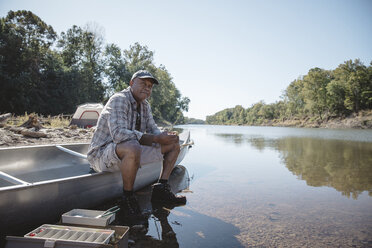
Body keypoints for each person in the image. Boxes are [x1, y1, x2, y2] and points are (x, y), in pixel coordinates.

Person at [87, 70, 186, 221]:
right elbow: (119, 135)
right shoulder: (119, 99)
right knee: (131, 146)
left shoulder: (145, 105)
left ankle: (161, 189)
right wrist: (156, 138)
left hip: (129, 152)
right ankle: (127, 198)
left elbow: (153, 131)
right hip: (102, 155)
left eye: (150, 86)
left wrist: (164, 136)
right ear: (132, 83)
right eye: (143, 83)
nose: (147, 88)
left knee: (174, 143)